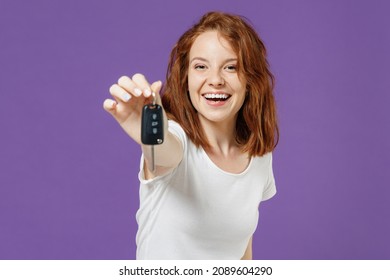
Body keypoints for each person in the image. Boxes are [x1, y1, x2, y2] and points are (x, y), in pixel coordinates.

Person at [103, 11, 279, 260]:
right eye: (200, 66)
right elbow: (162, 150)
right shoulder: (176, 140)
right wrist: (149, 129)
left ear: (251, 80)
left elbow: (241, 248)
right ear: (186, 78)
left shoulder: (258, 155)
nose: (215, 80)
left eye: (231, 67)